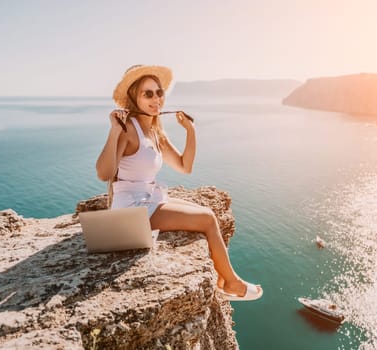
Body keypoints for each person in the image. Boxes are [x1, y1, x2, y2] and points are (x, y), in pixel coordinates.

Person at [96, 64, 262, 301]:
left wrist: (190, 131)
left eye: (159, 92)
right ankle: (232, 284)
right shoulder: (127, 131)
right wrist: (114, 131)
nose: (157, 99)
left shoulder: (154, 131)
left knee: (206, 211)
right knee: (207, 219)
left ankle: (221, 280)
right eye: (148, 94)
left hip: (148, 198)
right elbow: (104, 173)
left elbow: (185, 166)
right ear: (134, 97)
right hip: (132, 208)